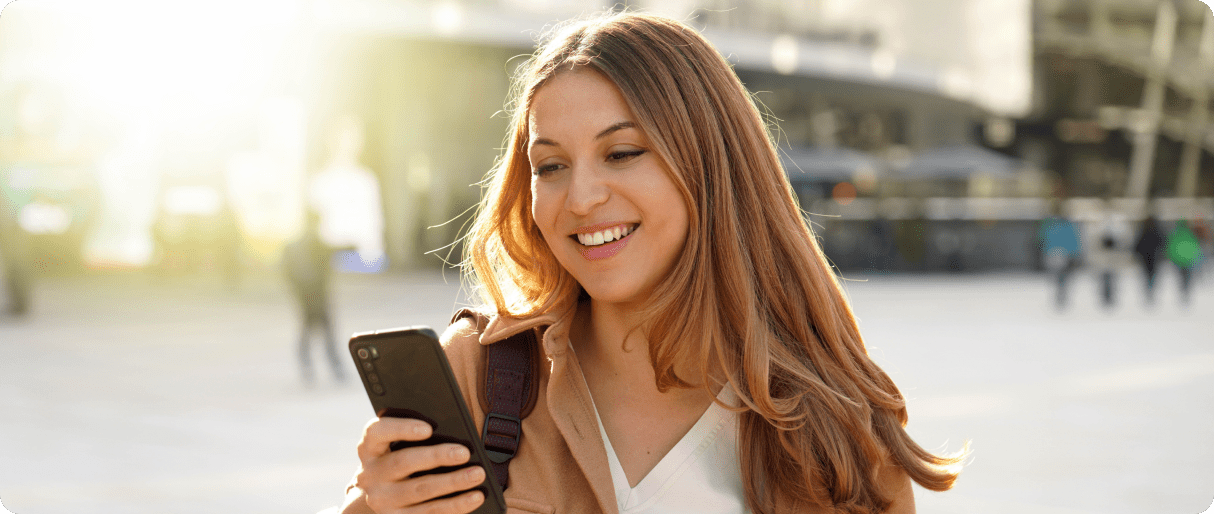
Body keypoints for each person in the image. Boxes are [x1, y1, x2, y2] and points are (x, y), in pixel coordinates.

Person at [342, 12, 964, 514]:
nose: (580, 198)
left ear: (710, 164)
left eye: (622, 153)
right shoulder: (478, 377)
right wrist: (374, 506)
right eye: (550, 166)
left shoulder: (840, 423)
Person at [284, 210, 345, 385]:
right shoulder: (299, 247)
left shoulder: (314, 244)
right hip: (308, 296)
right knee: (310, 333)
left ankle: (331, 367)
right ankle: (310, 367)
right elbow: (289, 272)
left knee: (324, 333)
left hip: (319, 296)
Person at [1038, 200, 1082, 309]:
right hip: (1058, 253)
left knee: (1060, 276)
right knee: (1061, 276)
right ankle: (1061, 294)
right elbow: (1042, 238)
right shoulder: (1053, 224)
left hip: (1057, 253)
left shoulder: (1051, 224)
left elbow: (1042, 239)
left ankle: (1060, 295)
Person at [1166, 219, 1204, 306]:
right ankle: (1186, 291)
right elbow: (1195, 246)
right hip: (1188, 260)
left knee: (1181, 277)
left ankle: (1183, 290)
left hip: (1178, 260)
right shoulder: (1190, 234)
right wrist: (1196, 257)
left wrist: (1171, 257)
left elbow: (1171, 246)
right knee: (1187, 277)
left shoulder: (1175, 234)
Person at [1132, 212, 1165, 306]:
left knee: (1150, 274)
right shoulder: (1154, 230)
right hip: (1150, 257)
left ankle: (1150, 289)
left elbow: (1139, 243)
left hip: (1150, 257)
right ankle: (1150, 289)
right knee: (1150, 274)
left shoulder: (1145, 229)